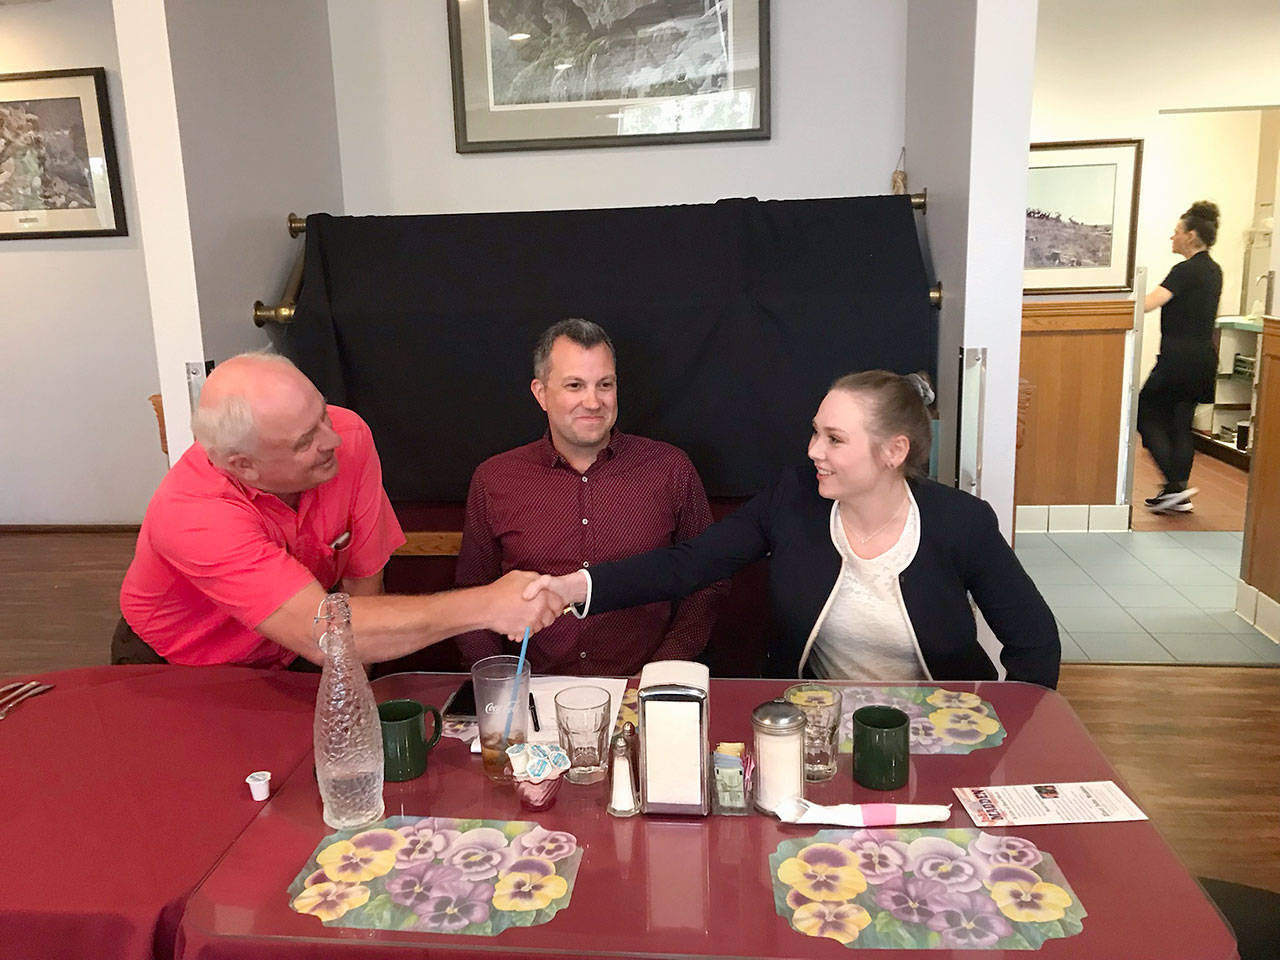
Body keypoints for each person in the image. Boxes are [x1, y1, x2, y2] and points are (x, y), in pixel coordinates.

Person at [527, 370, 1060, 687]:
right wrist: (575, 586)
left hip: (938, 735)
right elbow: (690, 563)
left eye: (834, 439)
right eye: (814, 433)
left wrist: (1004, 738)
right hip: (814, 734)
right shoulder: (795, 497)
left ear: (894, 451)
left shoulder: (960, 524)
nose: (814, 452)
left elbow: (1035, 643)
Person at [117, 353, 561, 668]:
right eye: (304, 441)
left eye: (321, 416)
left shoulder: (348, 434)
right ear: (242, 465)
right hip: (184, 664)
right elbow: (324, 632)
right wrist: (487, 604)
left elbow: (362, 582)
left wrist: (354, 693)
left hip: (297, 652)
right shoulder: (193, 513)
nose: (331, 441)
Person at [452, 319, 726, 675]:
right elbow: (472, 593)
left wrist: (662, 669)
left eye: (605, 385)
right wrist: (501, 682)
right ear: (540, 393)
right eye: (574, 385)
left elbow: (708, 580)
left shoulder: (670, 468)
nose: (593, 401)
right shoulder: (495, 478)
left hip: (646, 686)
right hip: (534, 692)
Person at [1138, 201, 1223, 514]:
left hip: (1177, 360)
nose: (1171, 237)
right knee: (1180, 424)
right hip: (1202, 359)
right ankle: (1177, 495)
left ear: (1190, 236)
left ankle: (1176, 485)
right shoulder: (1214, 270)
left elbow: (1150, 303)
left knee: (1144, 412)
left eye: (1176, 233)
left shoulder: (1185, 270)